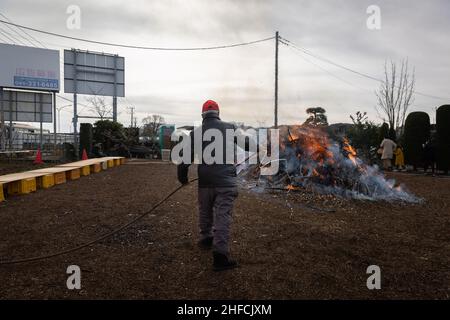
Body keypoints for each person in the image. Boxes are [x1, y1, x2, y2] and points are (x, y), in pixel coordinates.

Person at [177, 100, 242, 272]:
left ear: (202, 115)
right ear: (218, 113)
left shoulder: (196, 133)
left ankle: (206, 238)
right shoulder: (230, 127)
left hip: (205, 180)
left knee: (204, 209)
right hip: (225, 181)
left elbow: (184, 159)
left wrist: (182, 178)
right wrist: (258, 148)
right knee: (222, 216)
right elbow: (246, 144)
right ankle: (220, 256)